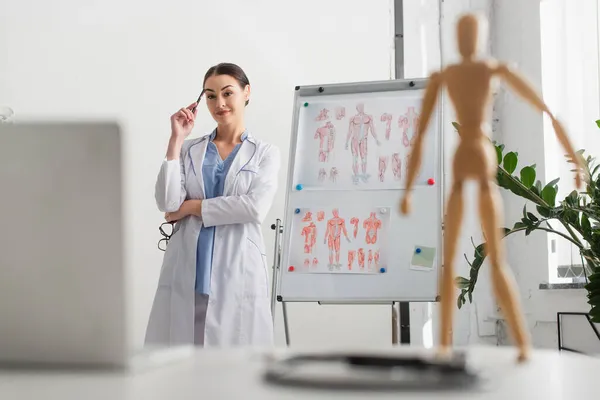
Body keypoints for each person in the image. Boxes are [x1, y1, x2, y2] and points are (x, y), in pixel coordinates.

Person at [144, 62, 281, 347]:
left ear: (246, 93)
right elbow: (167, 202)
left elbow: (254, 208)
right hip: (189, 268)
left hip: (237, 269)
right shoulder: (189, 149)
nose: (219, 103)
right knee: (183, 367)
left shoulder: (265, 153)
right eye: (210, 95)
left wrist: (192, 208)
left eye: (227, 93)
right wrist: (175, 140)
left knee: (233, 371)